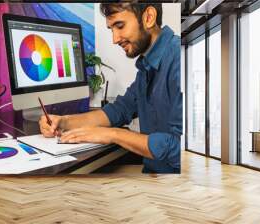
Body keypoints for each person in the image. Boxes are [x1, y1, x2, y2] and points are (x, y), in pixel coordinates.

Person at [39, 2, 182, 173]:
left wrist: (113, 135)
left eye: (120, 26)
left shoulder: (178, 57)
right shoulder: (147, 65)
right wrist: (64, 122)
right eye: (111, 29)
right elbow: (119, 110)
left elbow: (178, 148)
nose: (115, 39)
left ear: (149, 17)